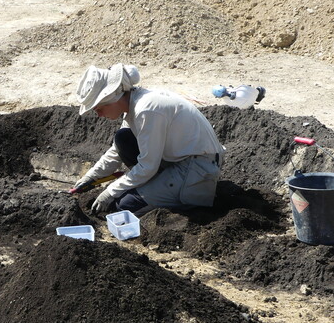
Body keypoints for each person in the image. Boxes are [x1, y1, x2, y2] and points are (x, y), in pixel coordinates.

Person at [74, 63, 226, 216]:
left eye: (99, 108)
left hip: (197, 167)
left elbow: (148, 166)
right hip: (179, 159)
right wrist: (91, 176)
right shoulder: (134, 105)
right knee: (123, 139)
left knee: (123, 207)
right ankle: (157, 186)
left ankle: (185, 199)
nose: (99, 115)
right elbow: (115, 152)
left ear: (112, 97)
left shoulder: (146, 110)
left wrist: (110, 192)